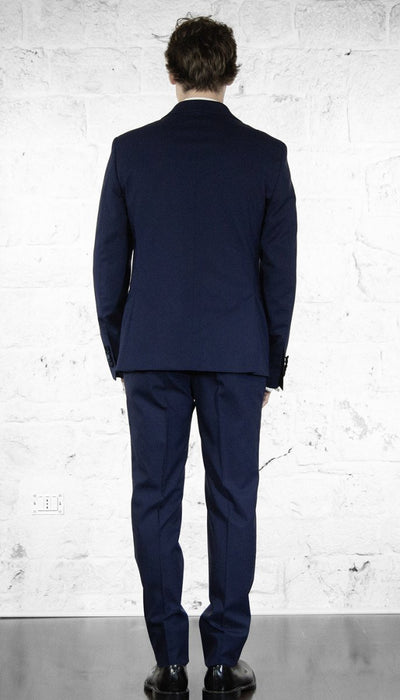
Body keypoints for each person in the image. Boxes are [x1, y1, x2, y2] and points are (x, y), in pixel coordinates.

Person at [92, 14, 297, 700]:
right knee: (234, 499)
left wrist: (122, 350)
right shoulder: (266, 155)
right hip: (237, 353)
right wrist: (270, 362)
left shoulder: (130, 152)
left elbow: (107, 266)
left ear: (171, 71)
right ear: (230, 72)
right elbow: (280, 273)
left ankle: (170, 661)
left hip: (151, 351)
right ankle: (224, 660)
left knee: (154, 498)